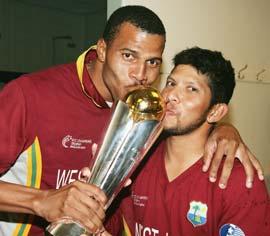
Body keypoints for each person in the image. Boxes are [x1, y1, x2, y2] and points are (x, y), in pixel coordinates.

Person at [0, 5, 263, 236]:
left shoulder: (144, 113)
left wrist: (224, 130)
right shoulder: (30, 95)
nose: (141, 75)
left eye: (152, 63)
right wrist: (40, 201)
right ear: (102, 49)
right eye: (128, 56)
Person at [104, 47, 270, 236]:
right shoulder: (138, 158)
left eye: (191, 89)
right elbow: (114, 224)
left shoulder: (239, 180)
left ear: (215, 111)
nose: (171, 95)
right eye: (170, 83)